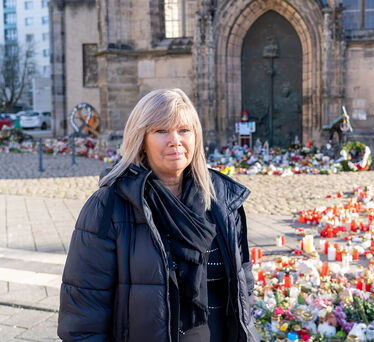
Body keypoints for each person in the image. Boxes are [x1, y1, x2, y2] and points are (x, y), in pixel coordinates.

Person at [58, 89, 258, 342]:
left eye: (184, 130)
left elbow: (243, 290)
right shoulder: (108, 206)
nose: (175, 140)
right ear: (141, 139)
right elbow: (83, 315)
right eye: (161, 131)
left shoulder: (223, 200)